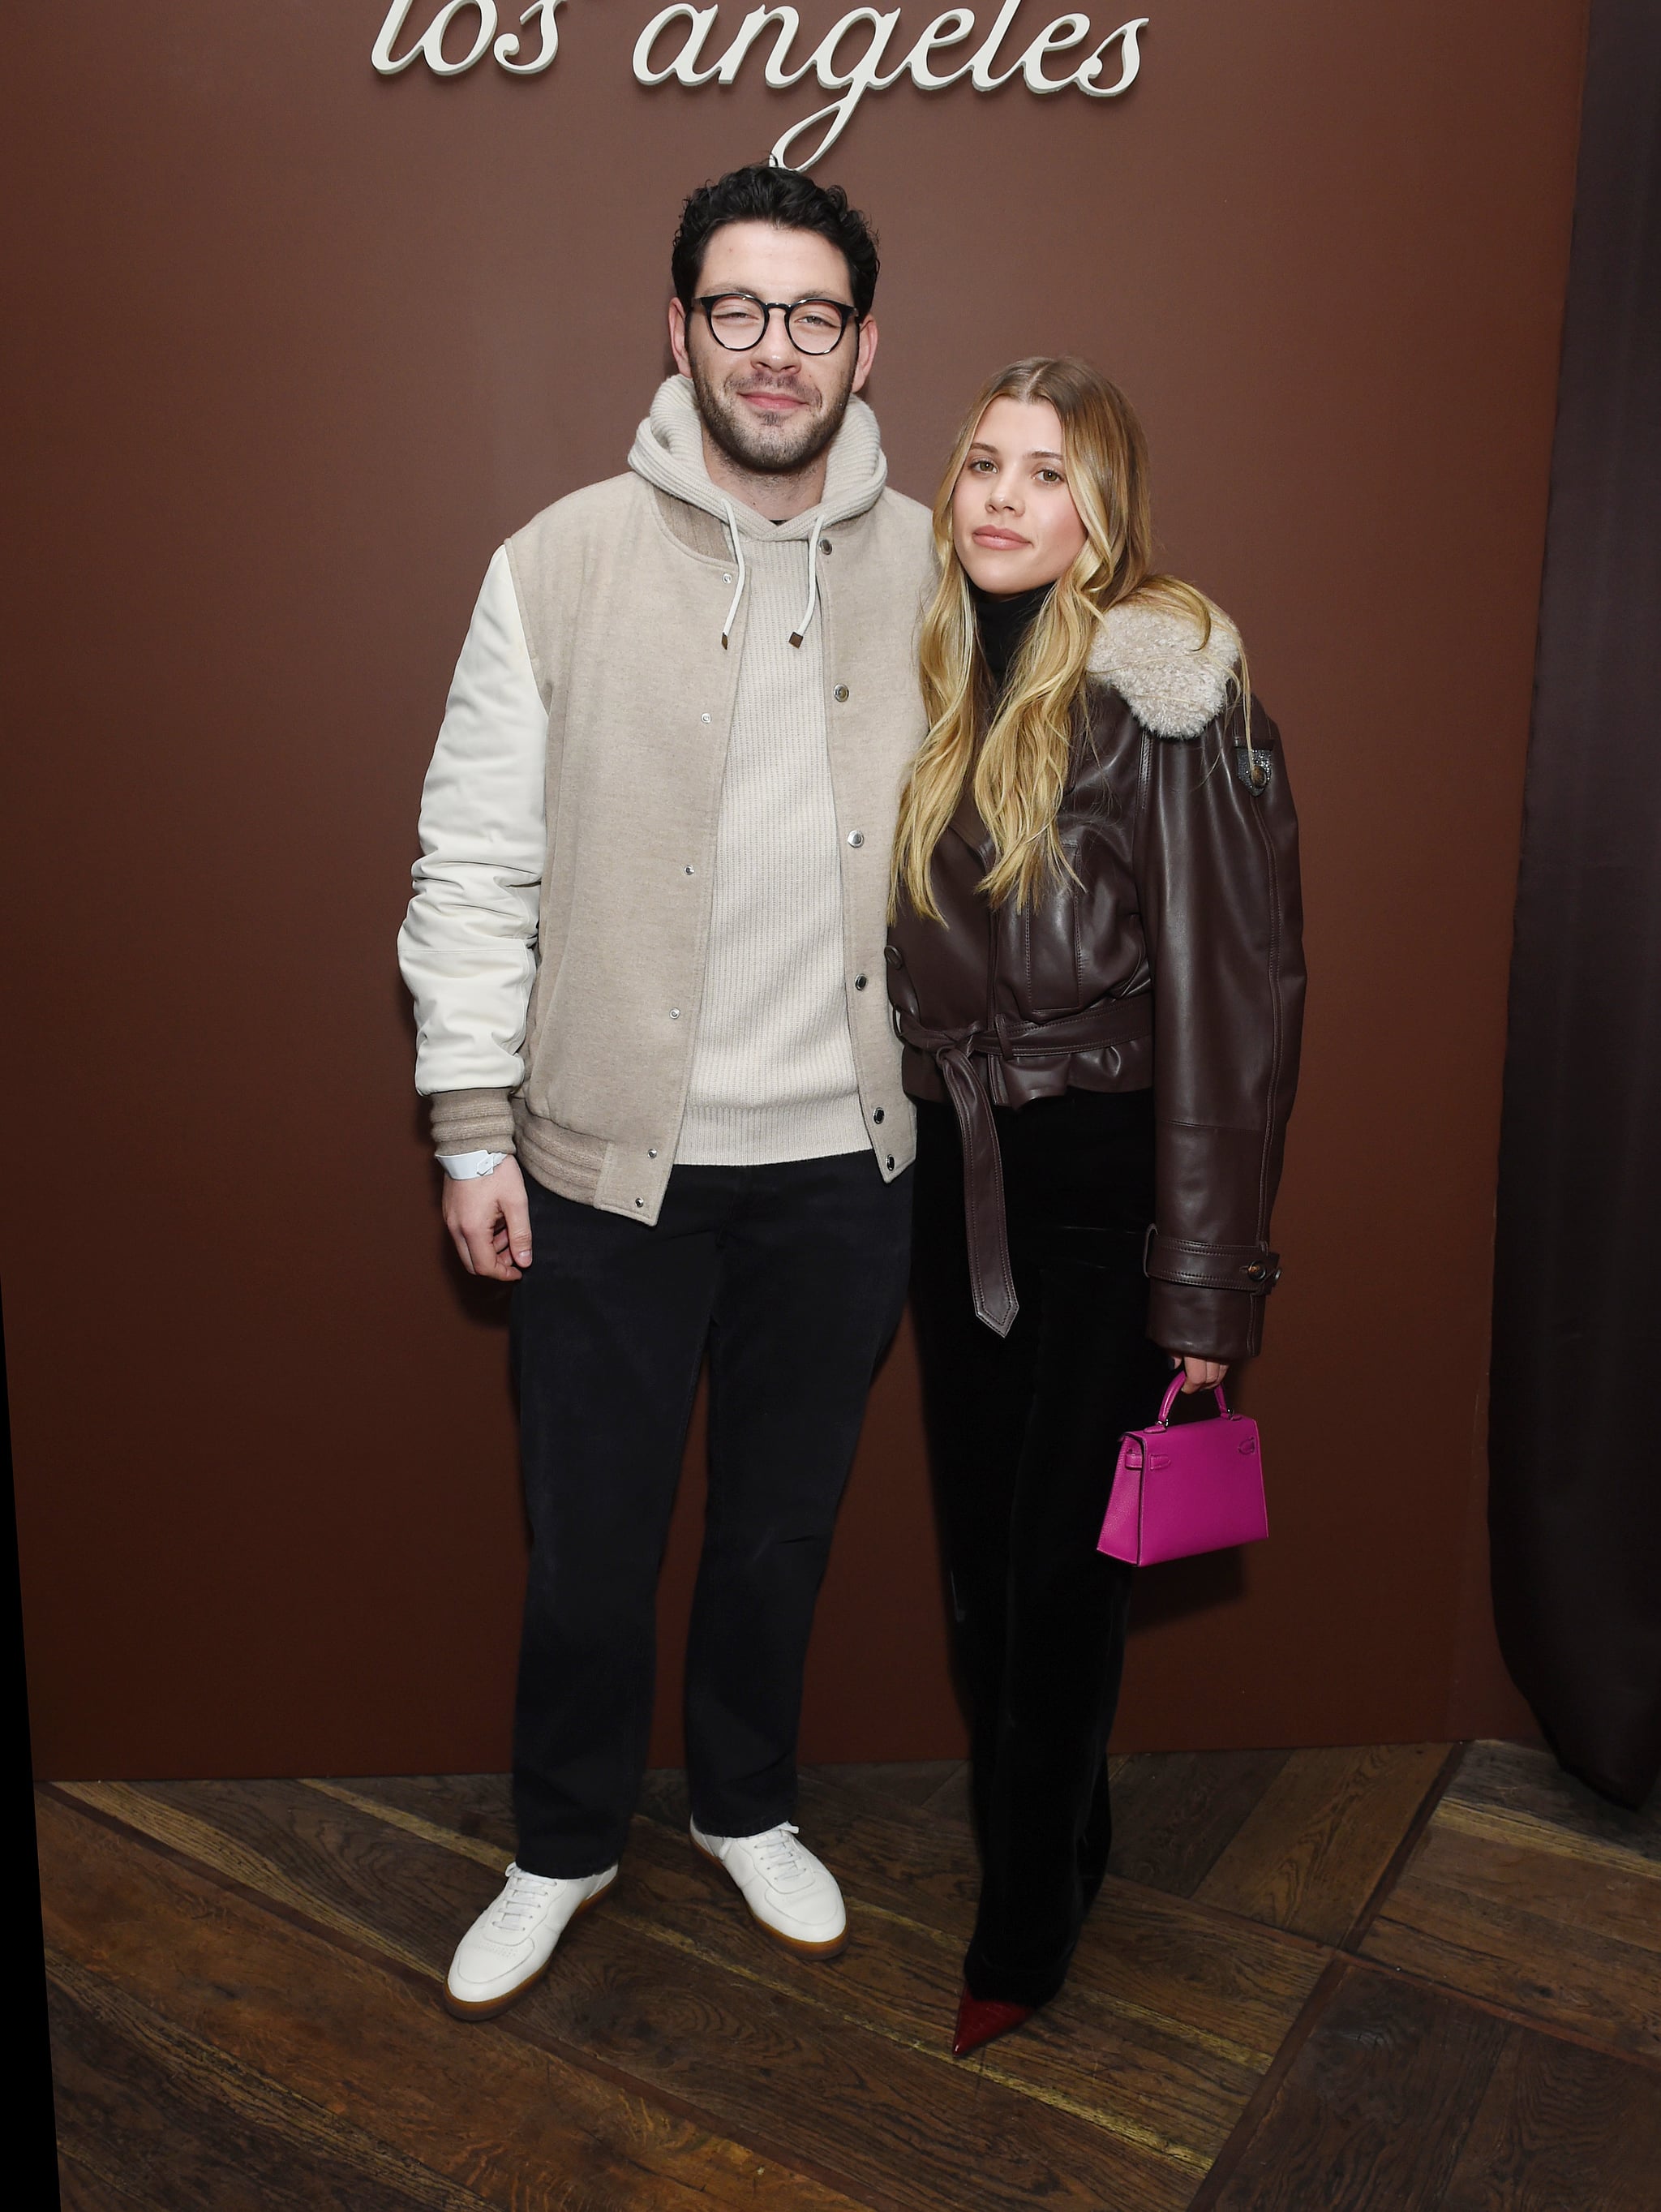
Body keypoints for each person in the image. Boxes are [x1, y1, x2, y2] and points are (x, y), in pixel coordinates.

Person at [398, 164, 935, 2020]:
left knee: (782, 1528)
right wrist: (470, 1119)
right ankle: (561, 1841)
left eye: (809, 316)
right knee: (590, 1550)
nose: (770, 350)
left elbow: (1071, 750)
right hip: (607, 1168)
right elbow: (473, 861)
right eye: (735, 309)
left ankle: (745, 1802)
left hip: (848, 1168)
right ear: (679, 327)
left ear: (864, 343)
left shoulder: (948, 567)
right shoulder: (555, 562)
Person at [886, 356, 1304, 2056]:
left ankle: (1022, 1928)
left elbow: (1241, 1001)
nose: (998, 495)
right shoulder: (933, 681)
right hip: (958, 1182)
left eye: (1043, 474)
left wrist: (1201, 1297)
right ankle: (1063, 1831)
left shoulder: (1172, 697)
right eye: (981, 462)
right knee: (986, 1574)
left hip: (1107, 1189)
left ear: (1099, 512)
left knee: (1060, 1576)